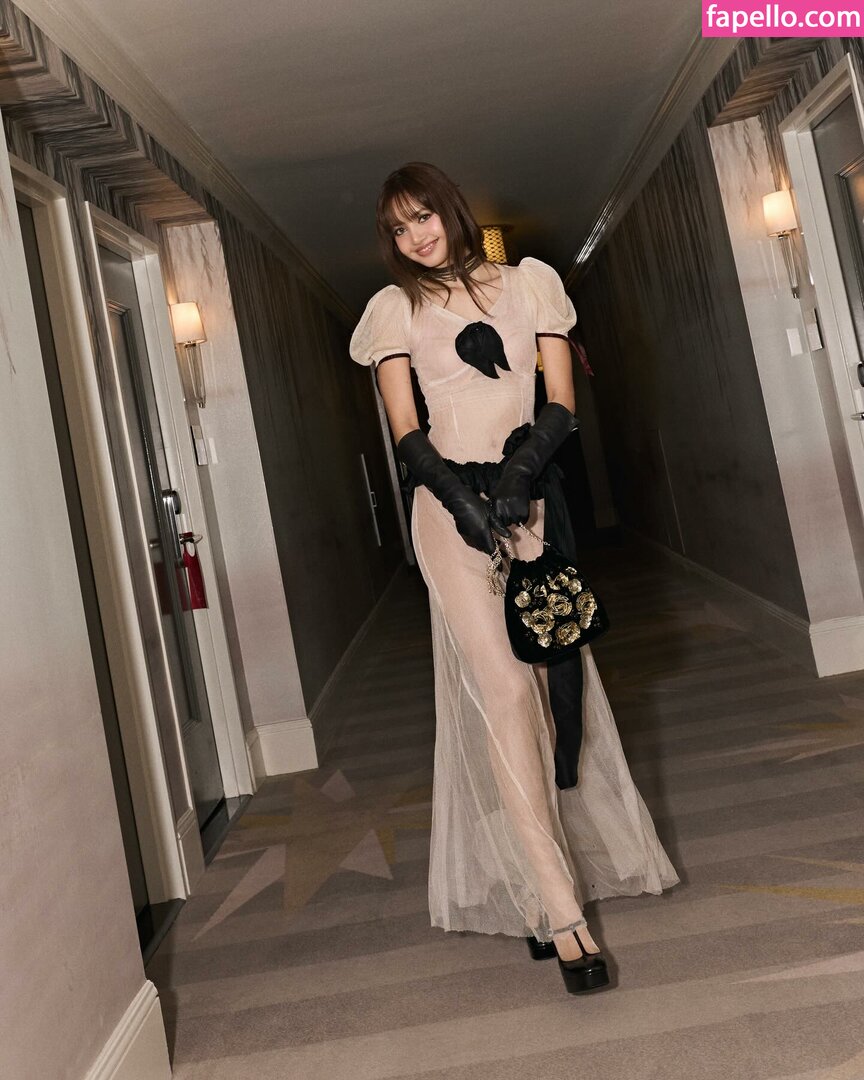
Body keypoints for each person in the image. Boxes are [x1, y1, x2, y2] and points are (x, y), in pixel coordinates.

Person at [349, 162, 677, 995]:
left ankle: (534, 883)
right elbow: (406, 431)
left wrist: (522, 474)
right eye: (399, 228)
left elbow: (560, 400)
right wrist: (460, 499)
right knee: (503, 691)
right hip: (447, 512)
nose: (417, 236)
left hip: (526, 504)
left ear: (452, 211)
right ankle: (564, 915)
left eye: (425, 217)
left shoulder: (532, 285)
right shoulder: (394, 309)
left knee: (546, 690)